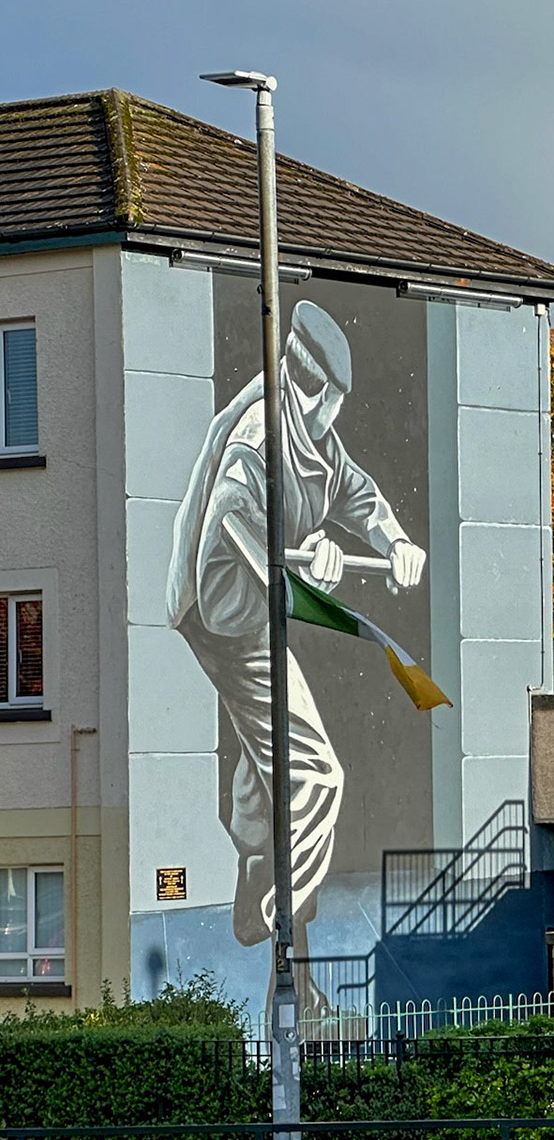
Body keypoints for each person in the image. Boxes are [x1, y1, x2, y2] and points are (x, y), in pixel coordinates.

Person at [167, 301, 428, 968]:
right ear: (317, 393)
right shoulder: (253, 448)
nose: (337, 415)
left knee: (269, 759)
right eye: (336, 401)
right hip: (225, 617)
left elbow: (358, 496)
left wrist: (394, 542)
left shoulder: (312, 438)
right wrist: (310, 566)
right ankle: (281, 920)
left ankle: (254, 874)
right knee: (319, 775)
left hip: (255, 612)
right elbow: (237, 543)